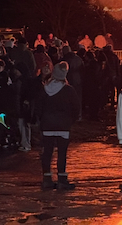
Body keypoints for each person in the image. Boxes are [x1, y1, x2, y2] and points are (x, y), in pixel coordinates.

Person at [36, 61, 81, 190]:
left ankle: (47, 179)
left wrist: (41, 121)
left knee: (47, 152)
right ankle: (62, 179)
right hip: (63, 126)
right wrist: (70, 121)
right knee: (62, 153)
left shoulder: (44, 89)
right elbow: (76, 108)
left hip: (47, 125)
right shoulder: (69, 90)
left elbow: (38, 107)